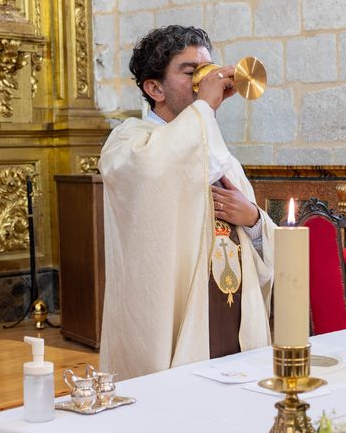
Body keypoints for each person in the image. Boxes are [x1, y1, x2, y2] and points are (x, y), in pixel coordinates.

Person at [98, 26, 276, 380]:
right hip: (172, 317)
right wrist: (203, 109)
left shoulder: (218, 152)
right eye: (192, 73)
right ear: (155, 88)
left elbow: (262, 251)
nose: (205, 81)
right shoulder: (130, 144)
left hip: (233, 315)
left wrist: (254, 218)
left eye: (208, 70)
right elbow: (156, 174)